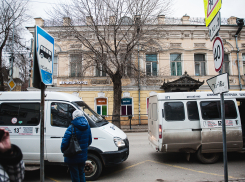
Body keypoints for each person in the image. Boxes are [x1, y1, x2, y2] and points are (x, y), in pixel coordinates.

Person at [61, 110, 92, 182]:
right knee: (81, 173)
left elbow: (64, 143)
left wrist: (63, 150)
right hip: (82, 156)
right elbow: (89, 141)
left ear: (73, 117)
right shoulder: (87, 127)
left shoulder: (71, 128)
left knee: (75, 175)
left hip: (72, 156)